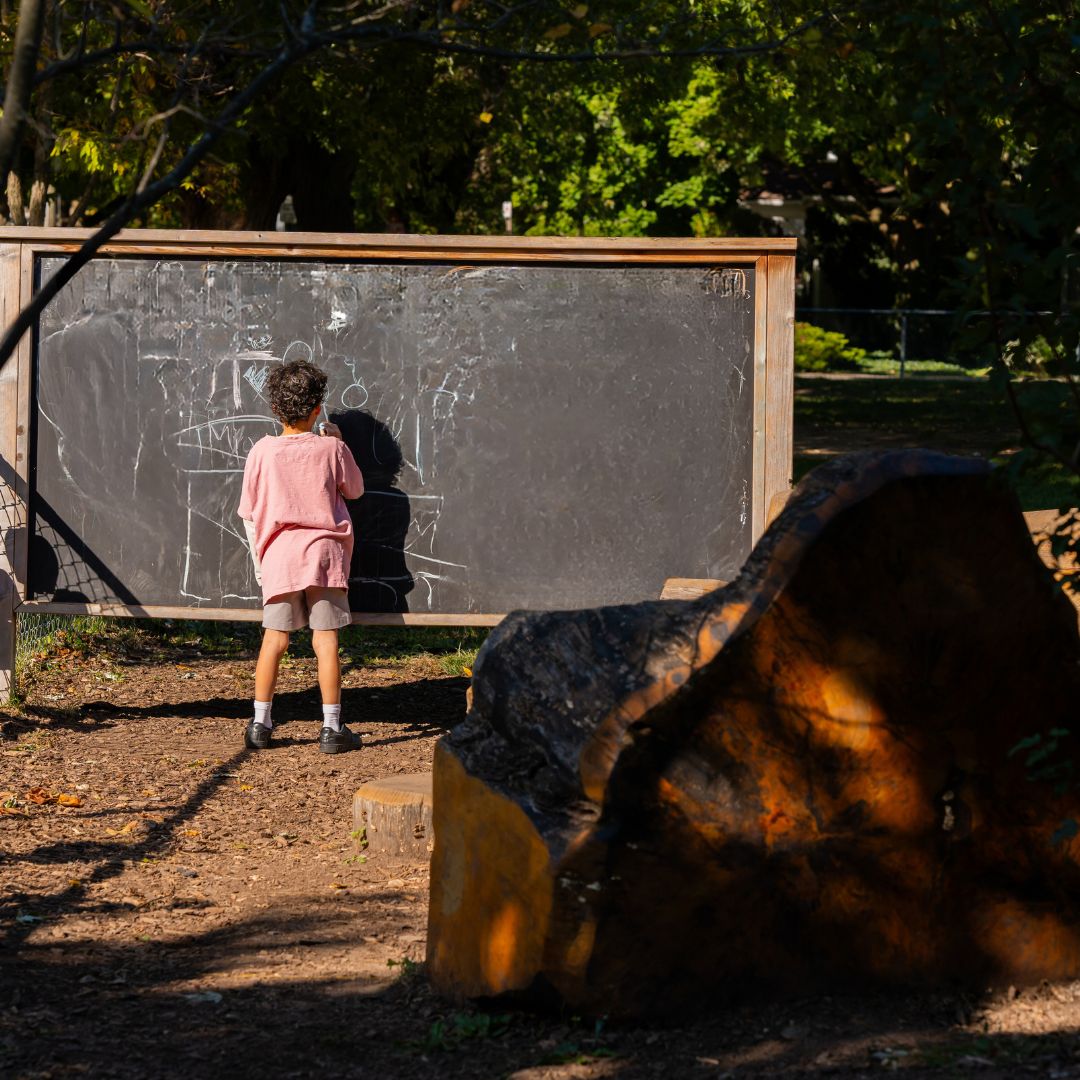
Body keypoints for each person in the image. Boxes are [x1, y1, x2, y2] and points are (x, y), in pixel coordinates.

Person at [237, 359, 364, 753]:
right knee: (325, 642)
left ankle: (260, 723)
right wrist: (340, 441)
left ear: (275, 410)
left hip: (279, 558)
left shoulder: (262, 452)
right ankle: (331, 728)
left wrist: (262, 567)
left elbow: (249, 513)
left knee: (274, 639)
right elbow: (355, 490)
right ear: (316, 409)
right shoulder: (331, 448)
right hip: (324, 557)